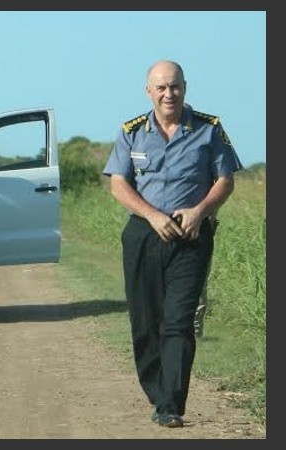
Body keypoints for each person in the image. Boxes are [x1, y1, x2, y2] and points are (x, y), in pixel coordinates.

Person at [102, 60, 242, 428]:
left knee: (178, 321)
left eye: (175, 86)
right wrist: (151, 215)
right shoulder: (131, 131)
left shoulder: (209, 129)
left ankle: (171, 405)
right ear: (148, 90)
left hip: (191, 234)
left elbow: (225, 180)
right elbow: (119, 183)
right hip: (144, 234)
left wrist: (201, 210)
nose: (169, 94)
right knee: (146, 322)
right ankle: (158, 392)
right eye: (161, 87)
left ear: (186, 87)